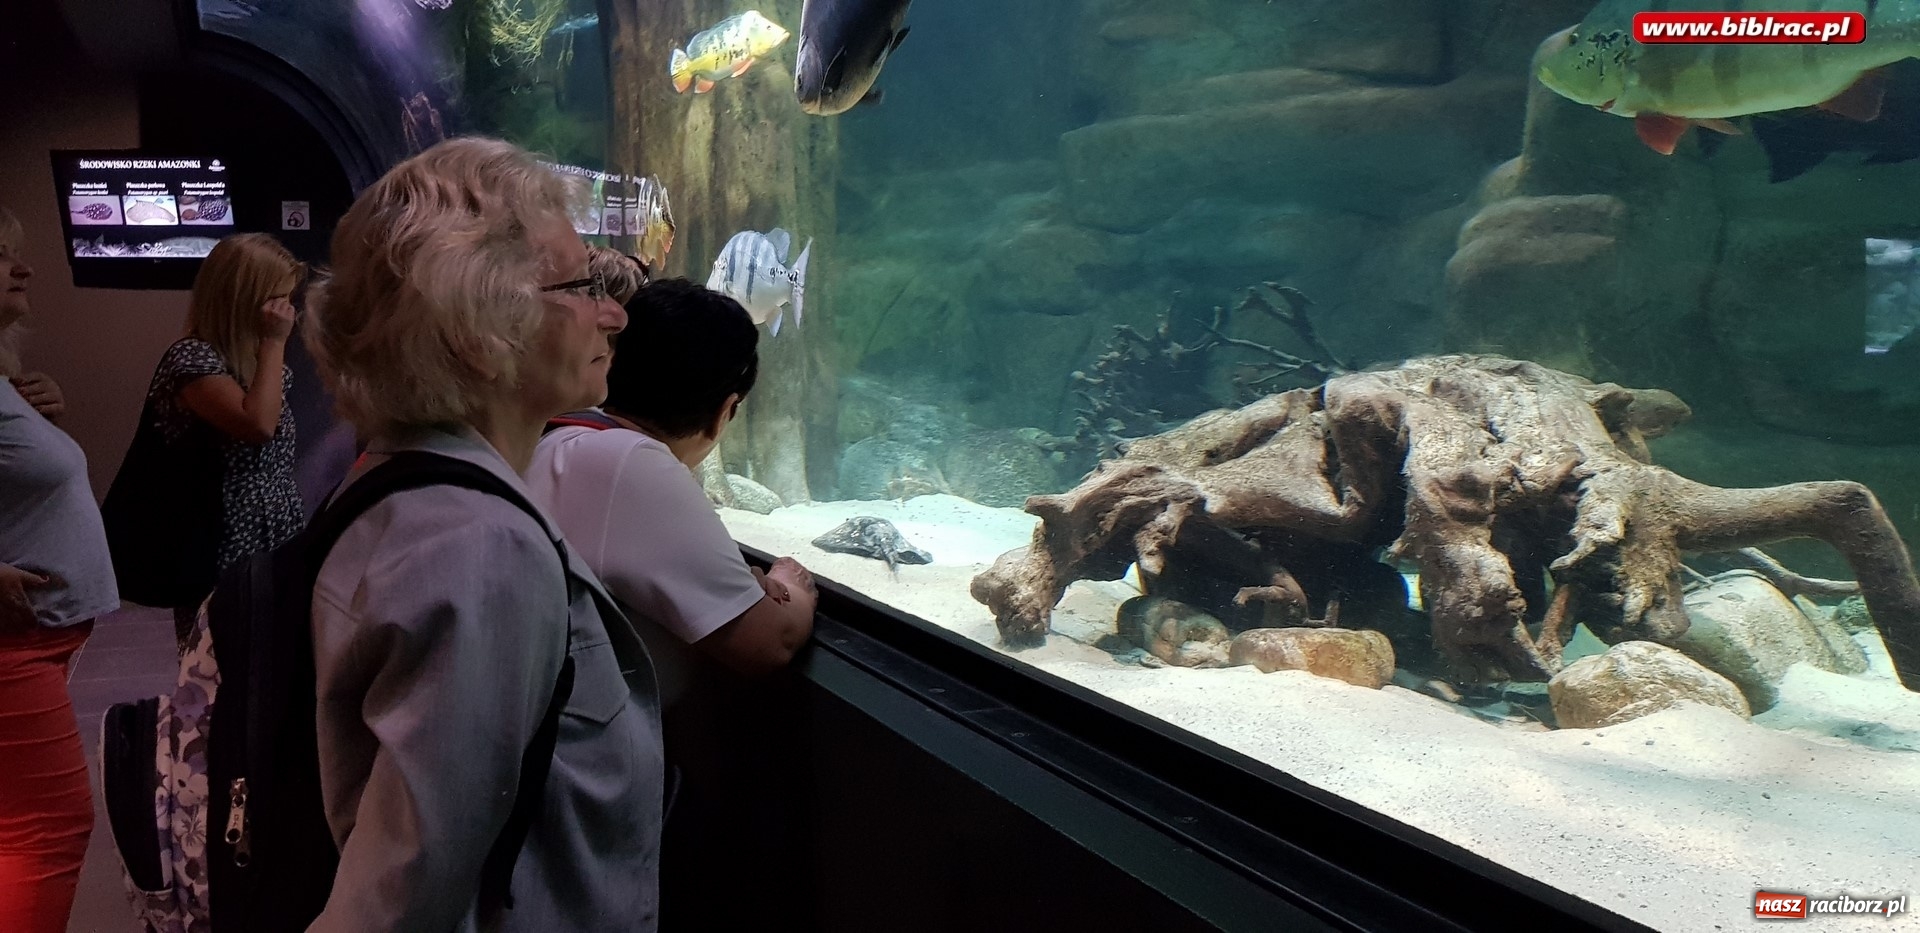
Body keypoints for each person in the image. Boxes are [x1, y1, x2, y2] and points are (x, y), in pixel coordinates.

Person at [302, 136, 663, 931]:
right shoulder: (480, 550)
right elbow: (398, 903)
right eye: (581, 284)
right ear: (479, 325)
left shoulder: (398, 485)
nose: (613, 311)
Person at [525, 276, 817, 705]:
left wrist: (736, 585)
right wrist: (791, 585)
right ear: (724, 412)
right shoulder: (628, 463)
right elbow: (771, 643)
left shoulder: (563, 437)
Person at [0, 206, 120, 933]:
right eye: (1, 255)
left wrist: (38, 412)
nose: (25, 268)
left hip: (37, 644)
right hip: (12, 652)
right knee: (48, 826)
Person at [139, 232, 306, 650]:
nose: (288, 312)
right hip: (222, 537)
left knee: (276, 655)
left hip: (275, 528)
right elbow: (257, 425)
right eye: (278, 298)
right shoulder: (192, 358)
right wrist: (273, 342)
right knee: (220, 659)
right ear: (244, 297)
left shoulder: (257, 365)